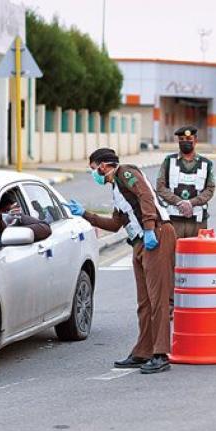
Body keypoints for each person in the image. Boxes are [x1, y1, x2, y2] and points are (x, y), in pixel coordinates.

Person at [66, 148, 177, 375]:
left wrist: (148, 229)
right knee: (144, 302)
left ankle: (160, 353)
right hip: (140, 241)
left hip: (156, 235)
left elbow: (146, 195)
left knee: (158, 300)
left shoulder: (126, 173)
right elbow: (116, 224)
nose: (94, 174)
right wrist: (85, 214)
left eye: (94, 169)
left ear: (104, 166)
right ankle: (143, 350)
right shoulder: (116, 188)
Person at [156, 125, 215, 238]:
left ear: (195, 140)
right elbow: (160, 187)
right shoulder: (169, 161)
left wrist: (191, 203)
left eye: (188, 139)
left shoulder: (206, 164)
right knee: (173, 253)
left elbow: (210, 189)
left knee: (196, 253)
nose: (185, 142)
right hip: (173, 220)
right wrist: (180, 202)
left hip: (197, 221)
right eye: (181, 140)